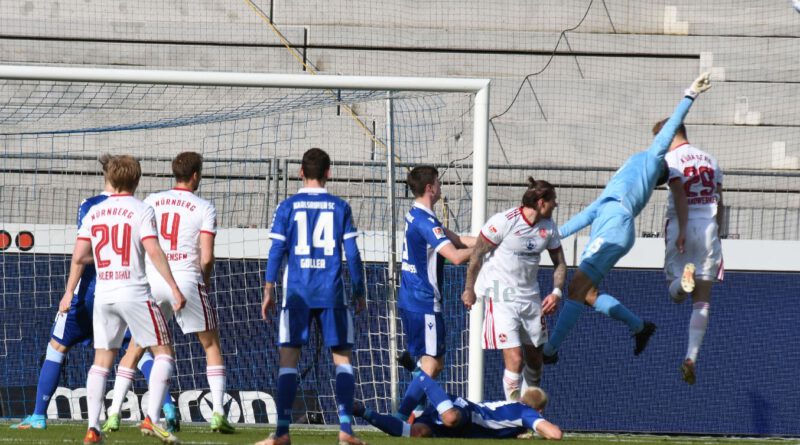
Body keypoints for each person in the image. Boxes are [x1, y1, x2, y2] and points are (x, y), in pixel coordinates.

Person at [541, 72, 713, 364]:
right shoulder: (627, 175)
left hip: (614, 227)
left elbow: (671, 128)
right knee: (589, 294)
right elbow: (589, 212)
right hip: (610, 224)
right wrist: (552, 234)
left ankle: (549, 350)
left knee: (575, 289)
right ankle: (639, 326)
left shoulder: (651, 161)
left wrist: (690, 95)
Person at [9, 155, 151, 431]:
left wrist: (68, 292)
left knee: (58, 345)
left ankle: (39, 415)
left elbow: (80, 255)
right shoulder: (140, 208)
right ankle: (163, 408)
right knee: (139, 348)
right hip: (126, 289)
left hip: (89, 290)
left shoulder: (90, 206)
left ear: (106, 176)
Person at [102, 152, 234, 434]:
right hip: (185, 278)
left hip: (151, 280)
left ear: (175, 173)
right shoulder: (204, 207)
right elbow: (207, 257)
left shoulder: (151, 200)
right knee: (210, 345)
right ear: (196, 175)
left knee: (136, 347)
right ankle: (218, 414)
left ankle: (113, 413)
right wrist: (205, 282)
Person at [63, 155, 186, 444]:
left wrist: (75, 286)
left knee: (101, 362)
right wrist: (173, 287)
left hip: (104, 294)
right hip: (134, 292)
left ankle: (93, 428)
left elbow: (80, 255)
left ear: (111, 179)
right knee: (165, 353)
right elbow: (153, 250)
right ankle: (151, 420)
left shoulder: (96, 212)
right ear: (137, 180)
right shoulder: (142, 209)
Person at [257, 148, 367, 445]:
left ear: (300, 172)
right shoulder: (340, 206)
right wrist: (359, 290)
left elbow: (276, 251)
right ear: (329, 173)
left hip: (297, 295)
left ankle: (281, 432)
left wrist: (268, 289)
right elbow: (353, 255)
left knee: (288, 362)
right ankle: (345, 429)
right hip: (332, 293)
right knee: (342, 360)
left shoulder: (287, 206)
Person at [461, 178, 566, 401]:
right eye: (553, 200)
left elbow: (560, 263)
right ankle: (515, 416)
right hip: (501, 297)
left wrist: (556, 292)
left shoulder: (548, 228)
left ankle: (530, 412)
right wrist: (469, 288)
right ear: (541, 202)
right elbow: (477, 254)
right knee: (515, 359)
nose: (555, 205)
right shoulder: (504, 222)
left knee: (536, 360)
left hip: (531, 298)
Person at [395, 166, 475, 420]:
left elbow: (460, 239)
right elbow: (456, 256)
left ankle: (413, 408)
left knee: (434, 362)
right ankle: (401, 417)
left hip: (414, 298)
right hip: (423, 301)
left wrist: (491, 239)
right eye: (438, 182)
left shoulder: (421, 216)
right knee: (431, 363)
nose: (441, 186)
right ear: (430, 188)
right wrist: (486, 249)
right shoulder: (425, 221)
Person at [655, 118, 724, 385]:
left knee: (677, 294)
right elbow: (721, 200)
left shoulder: (671, 160)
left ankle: (684, 283)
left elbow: (681, 195)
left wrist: (683, 229)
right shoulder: (711, 159)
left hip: (682, 224)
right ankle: (691, 357)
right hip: (709, 227)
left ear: (668, 135)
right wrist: (718, 231)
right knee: (703, 301)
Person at [354, 372, 562, 440]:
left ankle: (360, 410)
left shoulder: (517, 414)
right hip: (465, 412)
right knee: (450, 418)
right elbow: (555, 434)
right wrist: (540, 426)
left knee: (417, 432)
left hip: (464, 425)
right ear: (539, 410)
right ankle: (420, 375)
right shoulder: (526, 412)